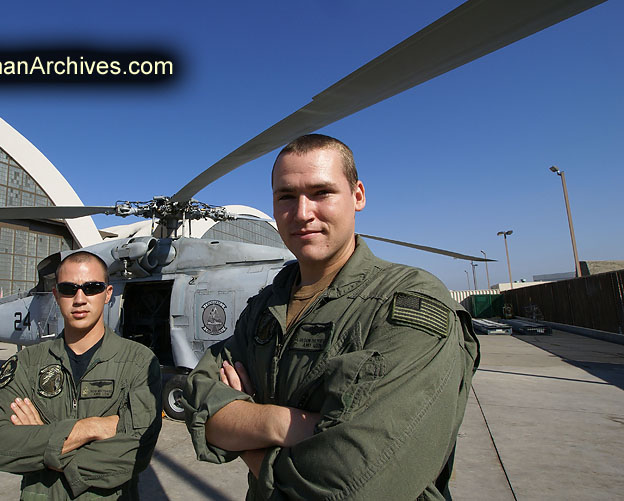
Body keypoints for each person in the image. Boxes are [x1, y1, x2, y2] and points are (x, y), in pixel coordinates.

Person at [182, 134, 480, 500]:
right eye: (287, 196)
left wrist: (246, 430)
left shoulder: (406, 303)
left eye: (321, 193)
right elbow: (200, 399)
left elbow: (349, 483)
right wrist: (287, 425)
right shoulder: (265, 307)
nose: (303, 213)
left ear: (357, 196)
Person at [0, 251, 162, 500]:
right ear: (56, 295)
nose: (80, 298)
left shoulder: (139, 363)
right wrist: (92, 428)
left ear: (108, 293)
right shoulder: (26, 363)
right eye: (69, 289)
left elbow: (136, 452)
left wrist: (42, 441)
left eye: (92, 288)